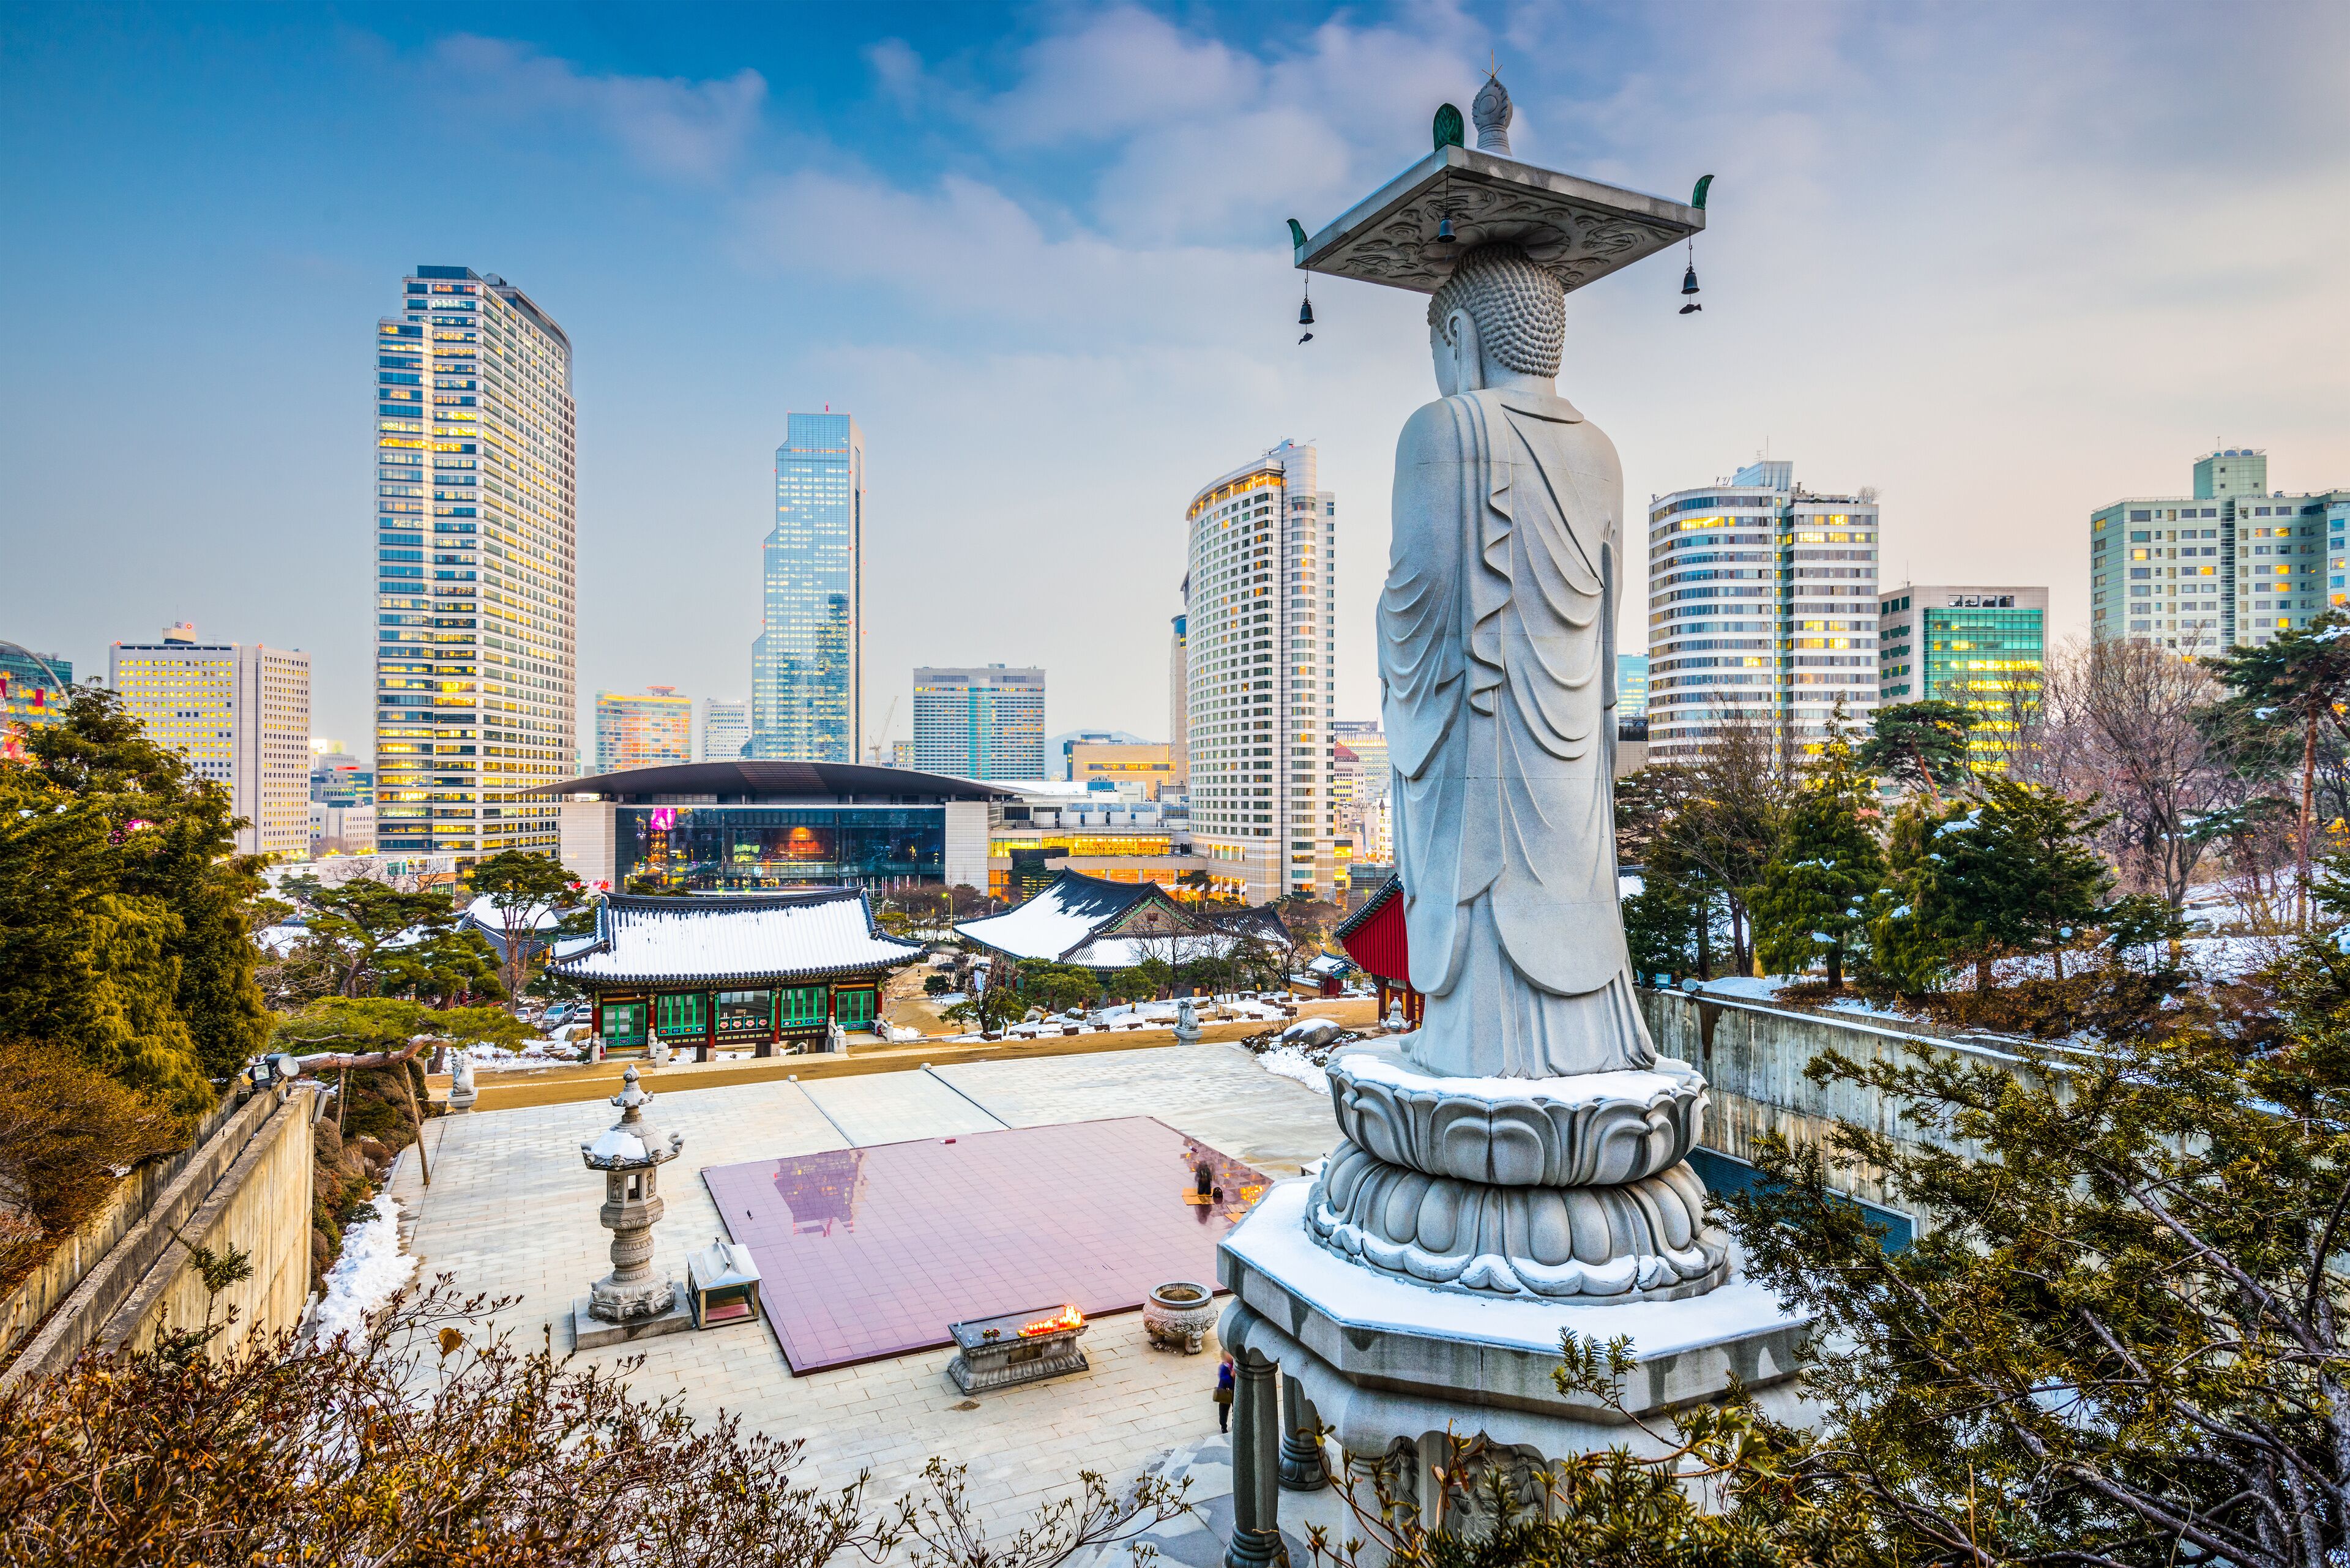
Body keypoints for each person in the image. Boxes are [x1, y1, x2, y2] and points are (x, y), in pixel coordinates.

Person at [1214, 1351, 1235, 1433]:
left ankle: (1235, 1423)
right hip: (1225, 1392)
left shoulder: (1235, 1365)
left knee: (1236, 1409)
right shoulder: (1223, 1367)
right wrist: (1231, 1376)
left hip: (1234, 1391)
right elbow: (1223, 1379)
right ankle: (1223, 1426)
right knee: (1224, 1410)